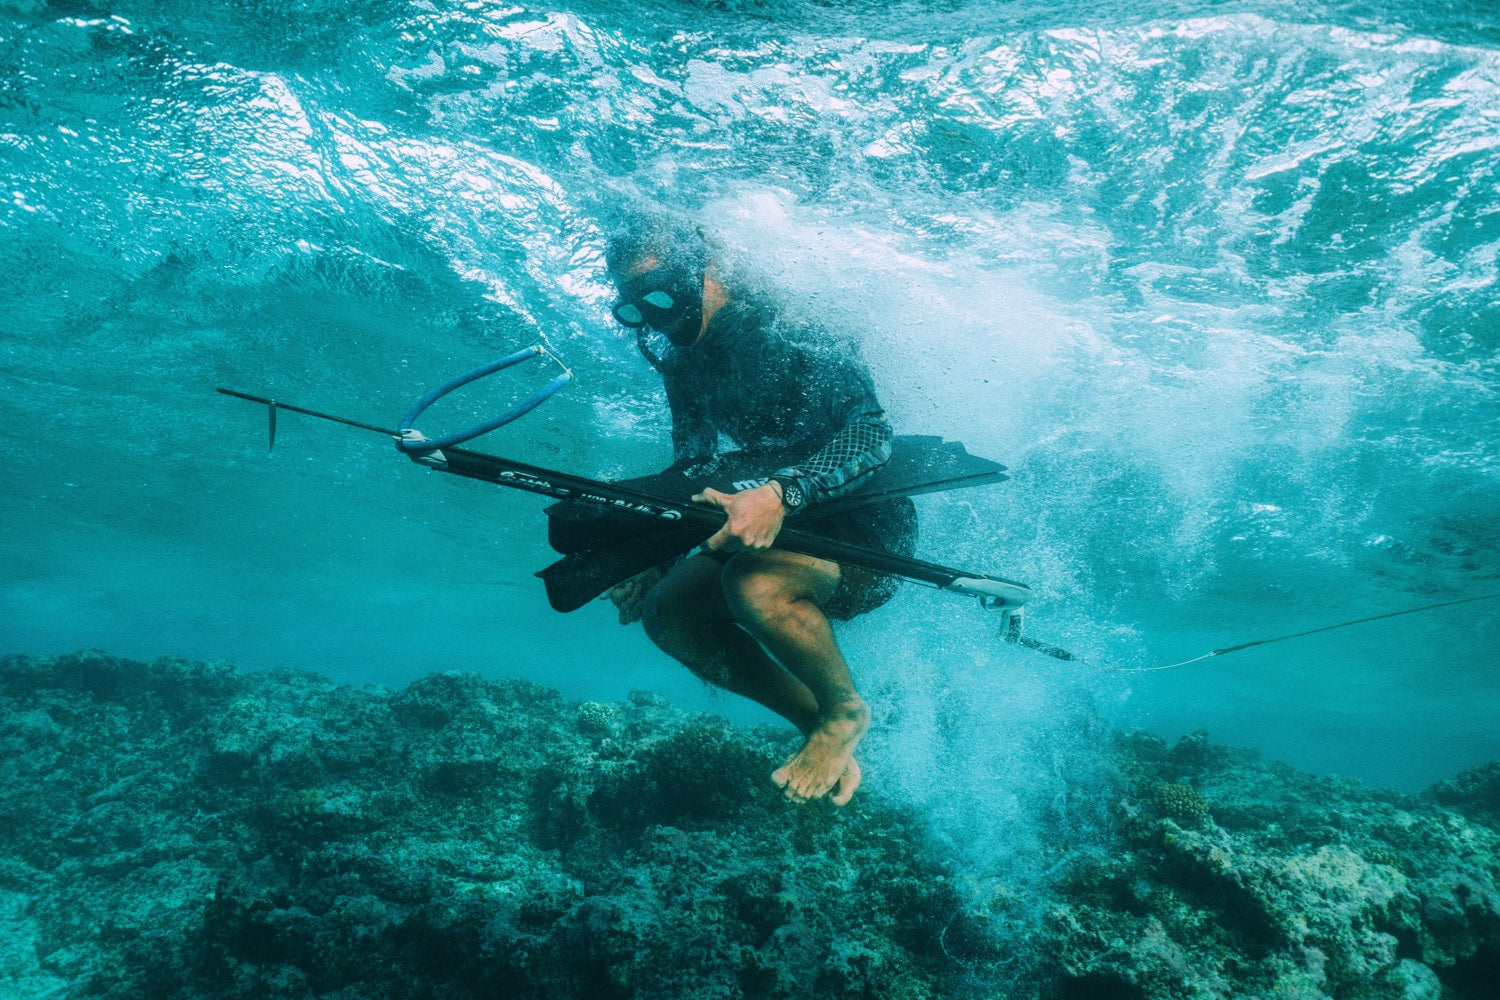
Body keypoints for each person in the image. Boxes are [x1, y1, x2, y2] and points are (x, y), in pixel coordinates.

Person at [602, 212, 917, 807]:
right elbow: (694, 468)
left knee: (753, 584)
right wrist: (656, 556)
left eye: (659, 290)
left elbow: (872, 433)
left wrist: (781, 493)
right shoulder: (682, 363)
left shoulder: (794, 323)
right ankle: (821, 725)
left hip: (865, 526)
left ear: (706, 270)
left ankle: (845, 709)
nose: (655, 315)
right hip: (770, 520)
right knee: (667, 613)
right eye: (634, 305)